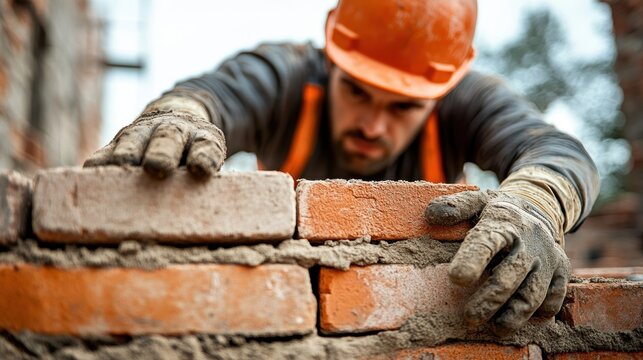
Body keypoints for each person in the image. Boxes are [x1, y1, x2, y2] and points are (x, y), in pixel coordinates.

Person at [85, 0, 599, 335]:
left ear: (438, 91)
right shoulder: (284, 76)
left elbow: (559, 153)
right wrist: (178, 117)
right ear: (334, 59)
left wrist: (534, 205)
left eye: (401, 106)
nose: (373, 125)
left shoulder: (466, 101)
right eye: (356, 92)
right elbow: (208, 97)